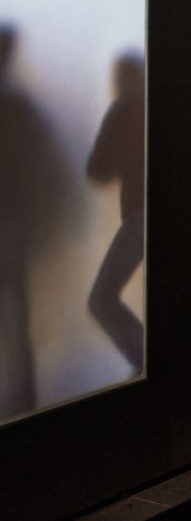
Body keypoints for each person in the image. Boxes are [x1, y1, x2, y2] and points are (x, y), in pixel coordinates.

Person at [0, 26, 65, 418]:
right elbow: (43, 167)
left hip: (11, 221)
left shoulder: (19, 108)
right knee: (16, 310)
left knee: (15, 310)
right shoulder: (22, 108)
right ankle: (23, 395)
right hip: (15, 222)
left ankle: (21, 394)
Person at [87, 52, 146, 376]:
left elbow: (97, 168)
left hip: (141, 216)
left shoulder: (124, 109)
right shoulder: (157, 106)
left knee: (101, 299)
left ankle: (146, 360)